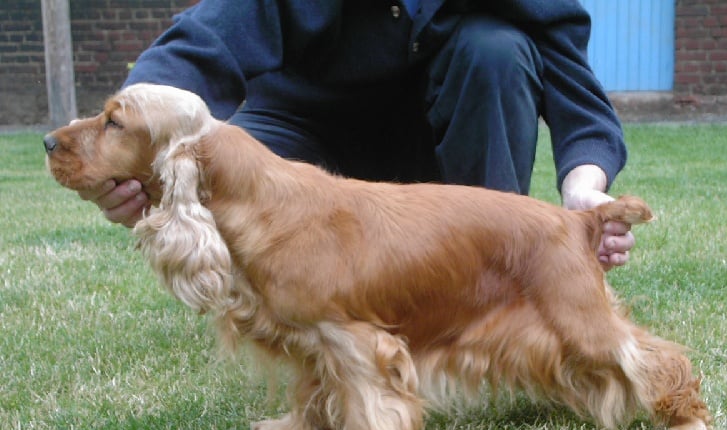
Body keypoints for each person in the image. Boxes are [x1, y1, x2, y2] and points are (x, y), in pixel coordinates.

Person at [82, 0, 634, 268]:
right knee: (230, 162)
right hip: (304, 127)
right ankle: (287, 306)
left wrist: (584, 186)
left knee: (497, 51)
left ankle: (498, 274)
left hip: (436, 137)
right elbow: (202, 44)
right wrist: (131, 142)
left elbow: (571, 83)